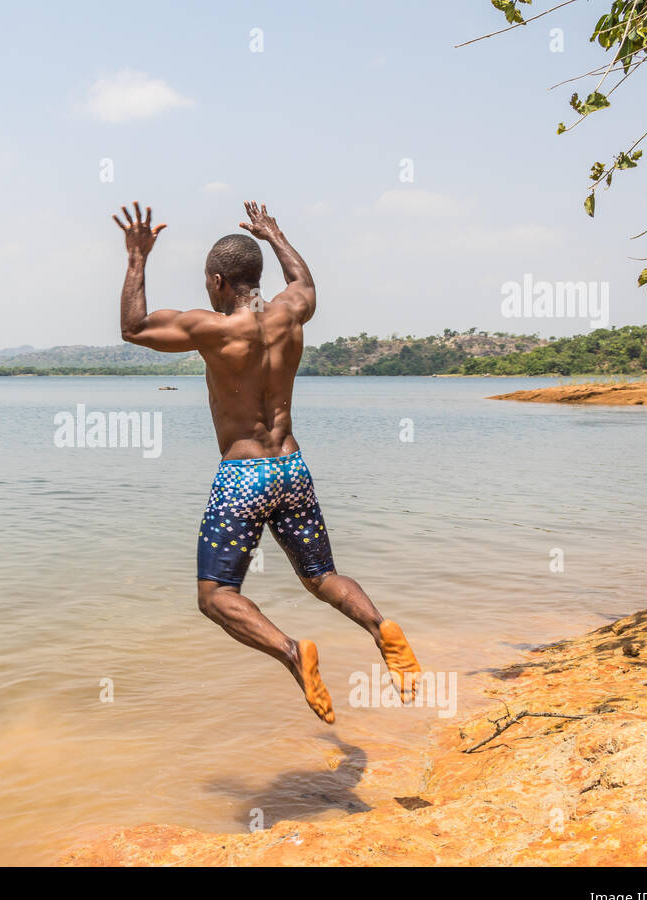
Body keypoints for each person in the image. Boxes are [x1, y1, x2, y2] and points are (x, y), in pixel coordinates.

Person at [113, 200, 421, 722]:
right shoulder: (289, 311)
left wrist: (137, 259)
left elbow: (135, 327)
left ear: (217, 281)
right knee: (322, 576)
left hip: (244, 475)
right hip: (292, 468)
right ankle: (380, 629)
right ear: (255, 276)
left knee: (215, 596)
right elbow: (303, 280)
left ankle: (292, 653)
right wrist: (274, 232)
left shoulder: (209, 328)